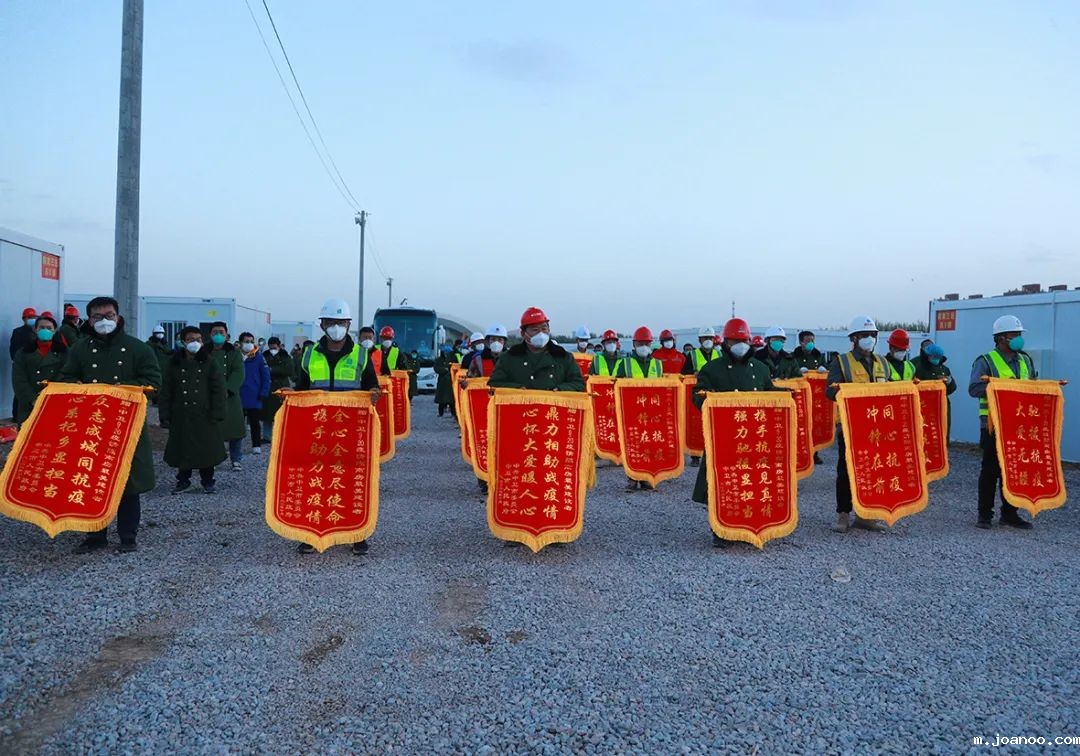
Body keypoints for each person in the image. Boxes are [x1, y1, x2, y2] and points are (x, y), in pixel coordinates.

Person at [56, 296, 161, 553]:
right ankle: (94, 535)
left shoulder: (138, 348)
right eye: (97, 317)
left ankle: (128, 536)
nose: (104, 321)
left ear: (118, 316)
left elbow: (154, 381)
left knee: (127, 482)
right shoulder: (80, 349)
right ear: (88, 320)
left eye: (109, 315)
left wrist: (126, 390)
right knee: (90, 480)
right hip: (91, 425)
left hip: (126, 425)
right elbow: (65, 378)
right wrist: (79, 388)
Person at [294, 298, 380, 555]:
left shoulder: (361, 355)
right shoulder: (308, 355)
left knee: (352, 481)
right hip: (316, 429)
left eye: (341, 323)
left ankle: (358, 533)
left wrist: (375, 393)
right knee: (315, 481)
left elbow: (371, 387)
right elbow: (300, 391)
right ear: (322, 325)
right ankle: (310, 533)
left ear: (348, 324)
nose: (336, 327)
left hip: (350, 430)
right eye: (331, 322)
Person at [691, 318, 780, 546]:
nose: (740, 345)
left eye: (743, 340)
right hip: (724, 436)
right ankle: (721, 529)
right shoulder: (712, 369)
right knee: (723, 482)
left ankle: (747, 524)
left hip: (753, 437)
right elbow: (697, 395)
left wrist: (786, 395)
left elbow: (769, 393)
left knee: (749, 483)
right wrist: (705, 399)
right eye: (734, 341)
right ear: (726, 342)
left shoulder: (760, 369)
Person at [968, 315, 1037, 530]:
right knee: (990, 470)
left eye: (1019, 335)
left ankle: (1010, 513)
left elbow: (1033, 387)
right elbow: (974, 389)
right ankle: (984, 515)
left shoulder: (1025, 360)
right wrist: (999, 390)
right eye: (1014, 335)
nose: (1018, 339)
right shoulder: (986, 361)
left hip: (1019, 426)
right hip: (992, 425)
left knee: (1014, 471)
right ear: (1000, 338)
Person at [825, 315, 890, 534]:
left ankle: (867, 515)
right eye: (864, 336)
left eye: (872, 335)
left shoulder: (882, 362)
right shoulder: (841, 362)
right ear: (853, 339)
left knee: (872, 470)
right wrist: (848, 393)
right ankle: (843, 514)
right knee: (846, 470)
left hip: (876, 428)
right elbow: (829, 391)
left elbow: (890, 390)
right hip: (850, 426)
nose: (869, 339)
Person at [159, 326, 227, 495]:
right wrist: (165, 414)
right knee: (183, 448)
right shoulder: (173, 363)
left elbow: (218, 389)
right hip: (181, 414)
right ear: (183, 342)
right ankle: (183, 481)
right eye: (190, 339)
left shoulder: (210, 362)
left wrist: (217, 412)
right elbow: (166, 390)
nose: (195, 343)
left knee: (207, 449)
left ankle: (208, 481)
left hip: (204, 413)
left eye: (198, 339)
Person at [489, 307, 585, 392]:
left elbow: (579, 384)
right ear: (523, 334)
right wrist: (517, 389)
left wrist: (560, 389)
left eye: (544, 328)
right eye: (535, 330)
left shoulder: (563, 356)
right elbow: (494, 383)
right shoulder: (509, 357)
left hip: (553, 410)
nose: (541, 333)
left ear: (549, 330)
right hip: (521, 410)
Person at [619, 326, 663, 490]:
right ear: (634, 344)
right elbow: (617, 385)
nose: (644, 346)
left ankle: (646, 477)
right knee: (633, 444)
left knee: (650, 444)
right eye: (640, 343)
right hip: (632, 412)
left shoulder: (658, 365)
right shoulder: (626, 363)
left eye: (646, 343)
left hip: (652, 413)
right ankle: (632, 477)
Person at [11, 312, 67, 425]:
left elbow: (66, 375)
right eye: (41, 327)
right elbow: (19, 379)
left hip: (55, 402)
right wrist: (33, 399)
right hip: (29, 405)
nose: (45, 330)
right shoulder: (23, 353)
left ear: (54, 330)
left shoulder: (64, 352)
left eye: (49, 328)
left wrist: (50, 397)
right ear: (35, 330)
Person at [209, 321, 246, 471]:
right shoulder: (204, 352)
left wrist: (228, 388)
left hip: (230, 396)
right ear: (210, 334)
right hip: (210, 395)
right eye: (215, 332)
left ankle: (236, 458)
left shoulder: (234, 352)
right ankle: (212, 458)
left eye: (221, 332)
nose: (218, 335)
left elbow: (239, 372)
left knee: (235, 429)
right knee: (211, 429)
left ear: (227, 335)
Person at [681, 326, 720, 466]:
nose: (708, 341)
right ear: (699, 340)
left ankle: (712, 452)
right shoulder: (692, 355)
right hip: (697, 393)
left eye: (710, 338)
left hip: (714, 393)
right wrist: (693, 373)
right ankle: (695, 456)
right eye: (705, 338)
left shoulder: (719, 355)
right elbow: (684, 373)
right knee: (696, 424)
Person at [915, 339, 956, 441]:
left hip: (942, 405)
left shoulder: (944, 369)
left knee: (942, 432)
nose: (935, 359)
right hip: (925, 406)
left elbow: (952, 388)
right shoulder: (918, 366)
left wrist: (949, 382)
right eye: (933, 357)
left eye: (938, 357)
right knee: (926, 435)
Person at [238, 332, 271, 454]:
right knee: (237, 423)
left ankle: (256, 445)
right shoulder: (236, 356)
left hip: (254, 395)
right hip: (238, 395)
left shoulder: (258, 357)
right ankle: (236, 447)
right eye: (246, 341)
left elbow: (266, 376)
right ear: (241, 342)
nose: (249, 344)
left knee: (255, 422)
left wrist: (264, 391)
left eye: (251, 341)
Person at [261, 337, 294, 444]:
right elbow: (262, 369)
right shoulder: (264, 355)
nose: (272, 349)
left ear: (279, 346)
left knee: (282, 413)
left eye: (274, 347)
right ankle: (267, 436)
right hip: (268, 387)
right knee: (267, 414)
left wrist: (272, 369)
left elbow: (288, 370)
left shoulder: (285, 356)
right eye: (270, 347)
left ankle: (282, 436)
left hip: (282, 387)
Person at [9, 307, 38, 419]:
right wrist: (19, 362)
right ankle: (16, 415)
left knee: (32, 390)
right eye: (29, 317)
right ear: (24, 319)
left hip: (34, 365)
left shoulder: (37, 331)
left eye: (33, 317)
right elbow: (13, 350)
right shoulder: (18, 332)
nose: (32, 319)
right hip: (22, 365)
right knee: (20, 390)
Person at [146, 325, 172, 403]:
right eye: (158, 333)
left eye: (161, 333)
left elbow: (167, 353)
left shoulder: (164, 343)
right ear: (154, 334)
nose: (160, 334)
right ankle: (155, 400)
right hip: (155, 368)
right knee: (156, 384)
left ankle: (162, 399)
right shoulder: (149, 344)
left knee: (164, 385)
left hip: (165, 368)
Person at [433, 344, 456, 416]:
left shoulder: (453, 359)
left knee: (452, 400)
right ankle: (440, 413)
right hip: (442, 382)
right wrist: (445, 370)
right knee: (441, 400)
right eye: (445, 352)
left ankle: (454, 414)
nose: (446, 354)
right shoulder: (439, 360)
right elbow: (436, 368)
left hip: (451, 382)